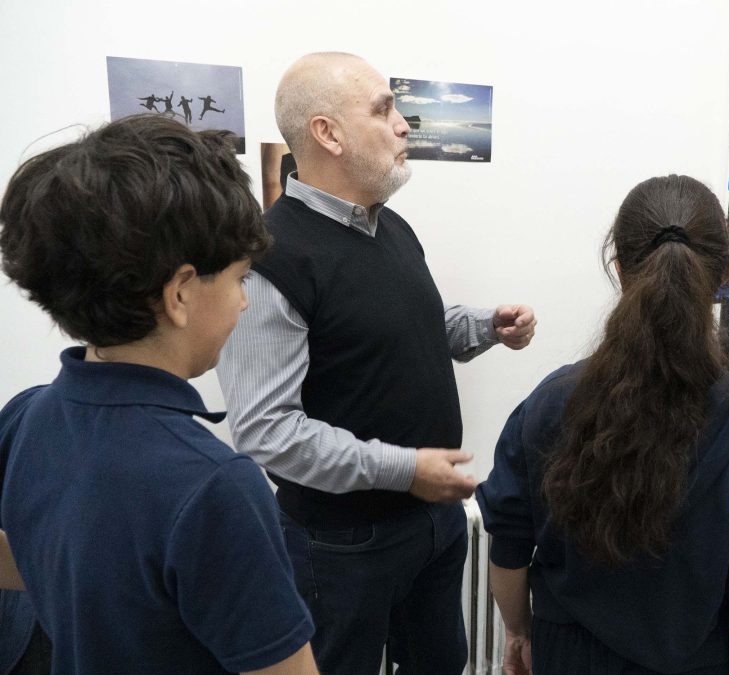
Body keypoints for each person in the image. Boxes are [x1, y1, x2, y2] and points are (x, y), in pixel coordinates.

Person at [216, 51, 536, 675]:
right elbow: (265, 430)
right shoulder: (272, 260)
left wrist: (484, 327)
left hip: (432, 526)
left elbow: (400, 327)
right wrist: (404, 469)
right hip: (341, 546)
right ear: (327, 134)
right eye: (383, 108)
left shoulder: (390, 228)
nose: (403, 124)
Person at [0, 114, 319, 674]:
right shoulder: (215, 486)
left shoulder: (27, 416)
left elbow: (33, 558)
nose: (244, 303)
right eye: (239, 280)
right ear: (179, 294)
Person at [477, 175, 729, 675]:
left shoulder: (549, 406)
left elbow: (509, 546)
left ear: (620, 270)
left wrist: (518, 633)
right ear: (726, 275)